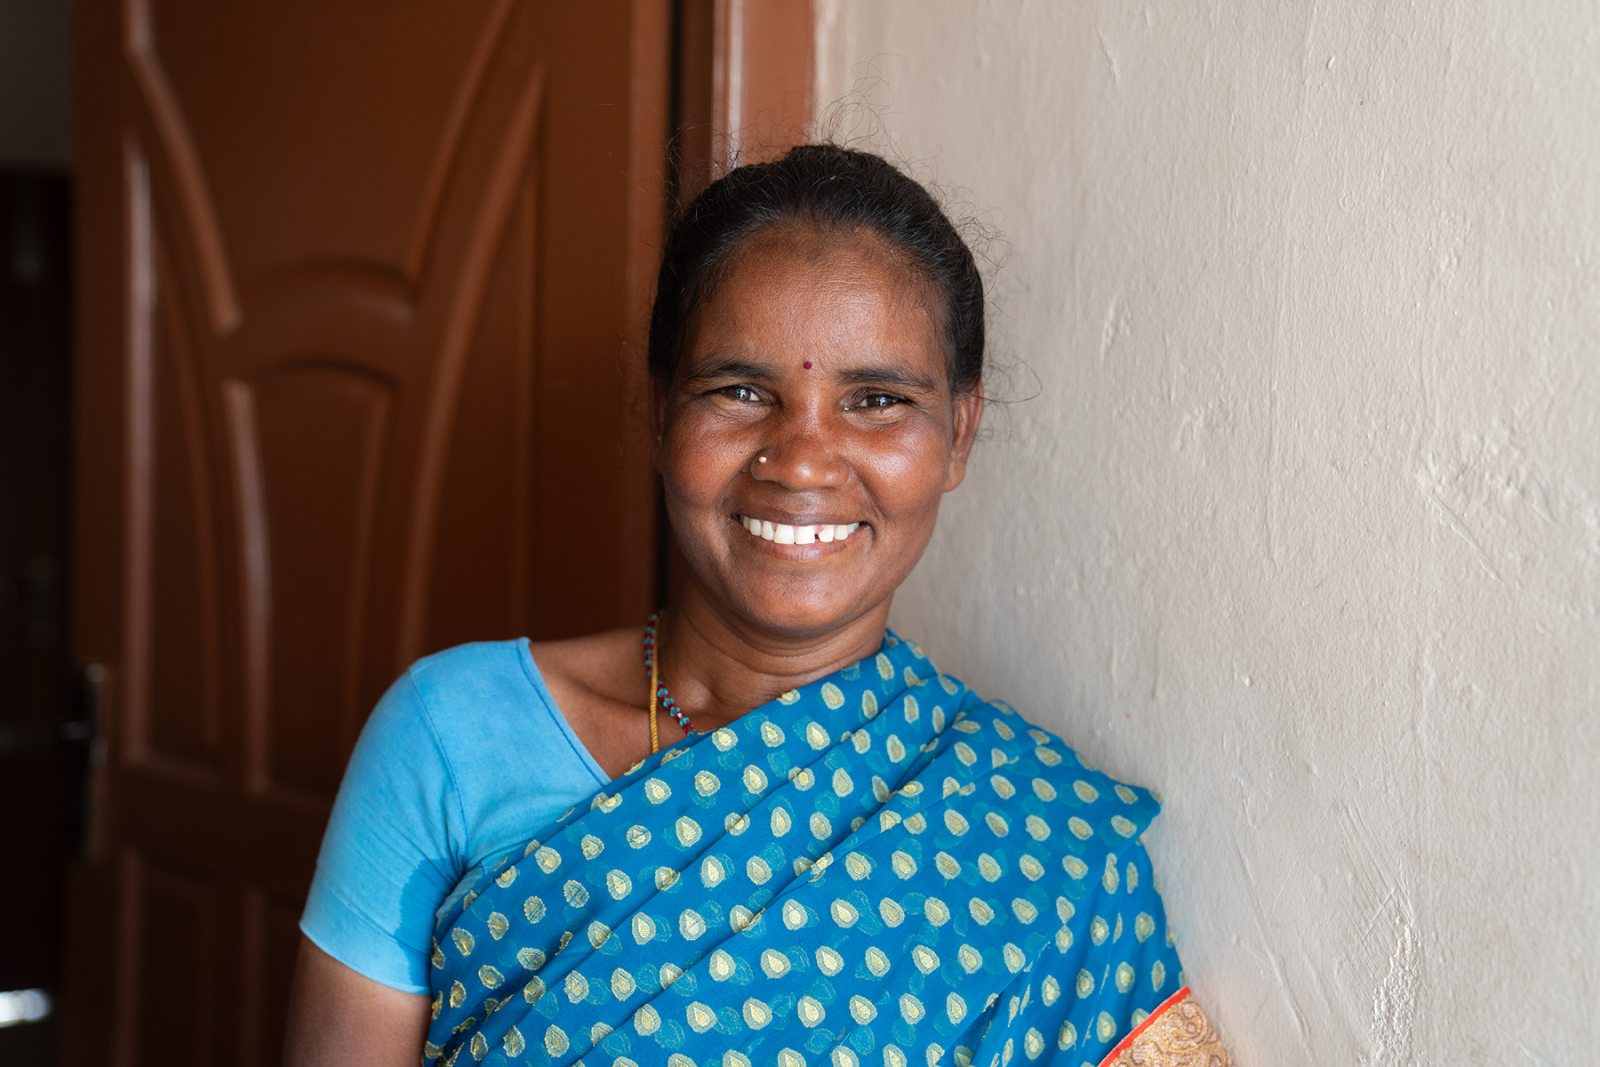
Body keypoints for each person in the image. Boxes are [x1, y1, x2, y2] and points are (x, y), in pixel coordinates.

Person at [283, 145, 1232, 1067]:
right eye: (740, 390)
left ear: (960, 433)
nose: (804, 460)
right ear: (661, 413)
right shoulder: (449, 734)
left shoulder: (1038, 852)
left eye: (876, 400)